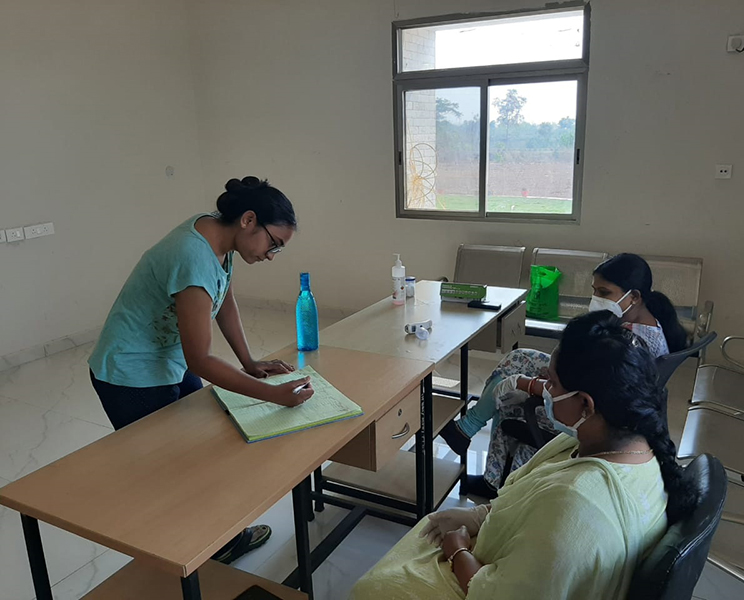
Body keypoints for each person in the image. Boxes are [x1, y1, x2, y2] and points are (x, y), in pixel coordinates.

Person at [350, 311, 698, 600]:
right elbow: (529, 507)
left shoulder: (575, 505)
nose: (544, 389)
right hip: (504, 556)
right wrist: (480, 516)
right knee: (423, 534)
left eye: (553, 384)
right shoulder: (629, 446)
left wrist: (457, 550)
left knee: (370, 590)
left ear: (586, 404)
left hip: (483, 581)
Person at [88, 176, 314, 564]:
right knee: (172, 468)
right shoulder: (192, 255)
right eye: (273, 244)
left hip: (169, 360)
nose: (271, 255)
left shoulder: (218, 237)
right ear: (248, 220)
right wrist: (274, 395)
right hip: (130, 372)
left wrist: (249, 362)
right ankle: (190, 554)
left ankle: (217, 540)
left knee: (202, 449)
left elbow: (223, 300)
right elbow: (202, 360)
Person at [440, 252, 688, 498]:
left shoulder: (632, 343)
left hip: (599, 419)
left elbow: (587, 395)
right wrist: (543, 376)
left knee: (509, 400)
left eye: (604, 293)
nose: (596, 299)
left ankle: (495, 479)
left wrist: (528, 384)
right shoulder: (647, 325)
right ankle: (471, 437)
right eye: (594, 291)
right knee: (517, 359)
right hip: (611, 407)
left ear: (634, 296)